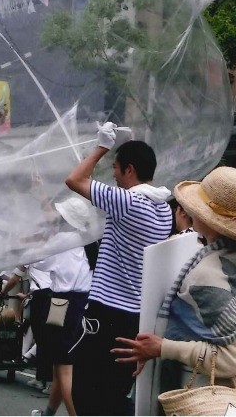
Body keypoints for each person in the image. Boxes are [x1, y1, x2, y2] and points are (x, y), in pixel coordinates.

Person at [111, 166, 236, 417]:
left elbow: (232, 358)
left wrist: (162, 347)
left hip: (213, 399)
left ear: (209, 218)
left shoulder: (206, 275)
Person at [64, 129, 172, 416]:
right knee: (112, 394)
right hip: (135, 318)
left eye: (115, 167)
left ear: (130, 170)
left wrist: (102, 146)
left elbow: (74, 179)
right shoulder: (163, 210)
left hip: (106, 313)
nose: (112, 174)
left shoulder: (128, 202)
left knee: (86, 395)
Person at [26, 246, 92, 417]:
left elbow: (38, 261)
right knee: (60, 366)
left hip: (62, 303)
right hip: (82, 302)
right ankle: (48, 413)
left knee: (64, 368)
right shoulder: (88, 246)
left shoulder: (66, 245)